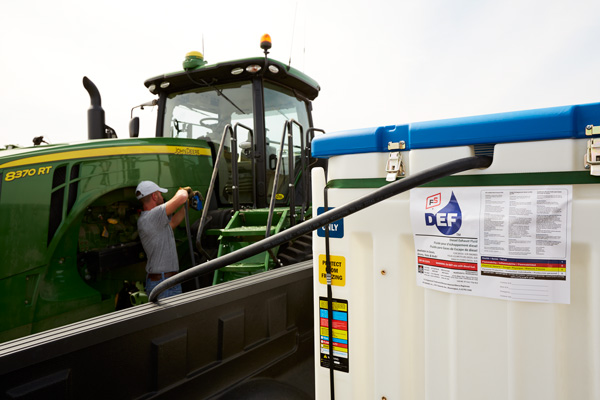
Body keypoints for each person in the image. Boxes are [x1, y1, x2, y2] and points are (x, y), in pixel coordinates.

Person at [135, 180, 190, 300]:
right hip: (165, 284)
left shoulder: (150, 220)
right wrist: (184, 192)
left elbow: (173, 223)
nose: (162, 197)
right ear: (154, 196)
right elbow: (181, 197)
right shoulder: (152, 216)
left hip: (164, 281)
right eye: (160, 194)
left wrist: (188, 205)